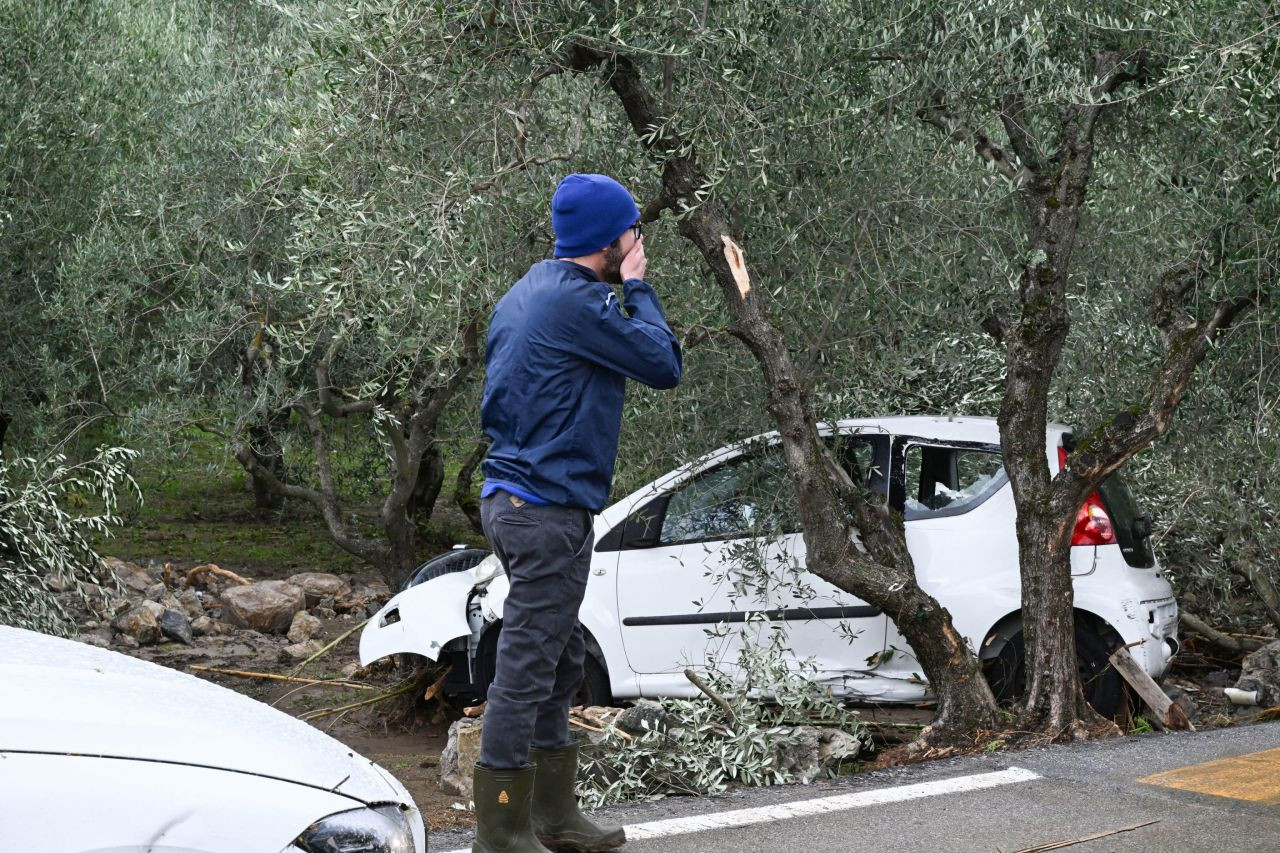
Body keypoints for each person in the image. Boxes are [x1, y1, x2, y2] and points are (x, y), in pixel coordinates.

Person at [473, 173, 683, 852]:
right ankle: (501, 831)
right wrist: (640, 287)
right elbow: (662, 363)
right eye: (634, 230)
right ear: (611, 240)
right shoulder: (579, 305)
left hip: (513, 502)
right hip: (545, 510)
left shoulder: (529, 291)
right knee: (528, 667)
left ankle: (555, 817)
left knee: (559, 659)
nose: (640, 239)